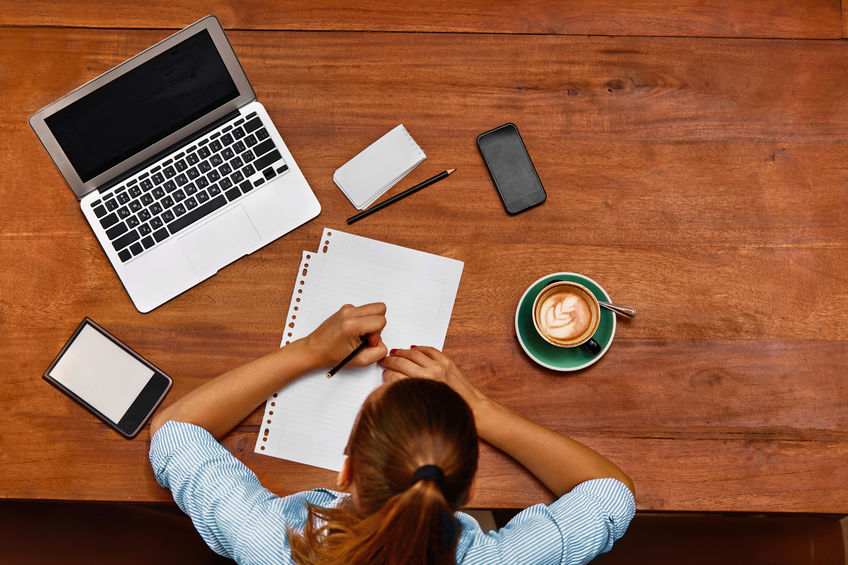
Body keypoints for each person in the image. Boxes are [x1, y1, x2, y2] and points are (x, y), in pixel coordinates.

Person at [149, 303, 635, 564]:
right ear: (467, 491)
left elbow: (173, 434)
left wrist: (310, 352)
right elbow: (610, 496)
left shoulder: (270, 545)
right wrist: (477, 409)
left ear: (346, 470)